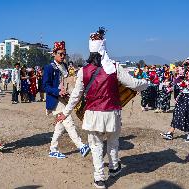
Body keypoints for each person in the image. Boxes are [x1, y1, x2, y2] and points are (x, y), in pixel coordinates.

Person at [56, 29, 148, 188]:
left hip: (92, 114)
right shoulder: (115, 67)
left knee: (96, 146)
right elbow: (133, 84)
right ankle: (113, 167)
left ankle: (99, 178)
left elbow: (75, 96)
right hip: (112, 113)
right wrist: (147, 84)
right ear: (104, 48)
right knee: (113, 142)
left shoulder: (83, 71)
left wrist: (65, 113)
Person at [42, 40, 90, 159]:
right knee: (68, 121)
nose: (63, 56)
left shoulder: (64, 66)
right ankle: (80, 146)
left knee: (60, 125)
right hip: (55, 100)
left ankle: (53, 149)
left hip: (65, 99)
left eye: (64, 54)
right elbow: (44, 86)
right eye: (60, 53)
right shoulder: (49, 68)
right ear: (54, 53)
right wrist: (57, 91)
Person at [161, 57, 189, 142]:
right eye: (186, 64)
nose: (187, 66)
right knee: (177, 112)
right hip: (184, 95)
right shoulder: (185, 72)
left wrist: (186, 61)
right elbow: (176, 81)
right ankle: (170, 133)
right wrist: (176, 75)